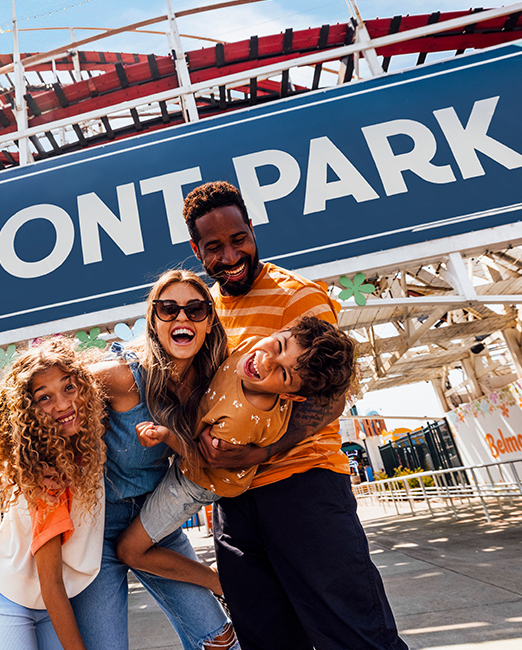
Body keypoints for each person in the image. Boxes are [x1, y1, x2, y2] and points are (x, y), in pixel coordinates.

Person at [184, 180, 409, 650]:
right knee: (266, 638)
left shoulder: (299, 296)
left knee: (352, 634)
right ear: (196, 250)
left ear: (252, 227)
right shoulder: (204, 311)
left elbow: (332, 396)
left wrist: (263, 450)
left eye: (238, 239)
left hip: (303, 489)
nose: (230, 255)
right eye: (214, 247)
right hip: (233, 501)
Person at [116, 317, 355, 592]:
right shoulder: (253, 348)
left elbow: (204, 460)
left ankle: (217, 582)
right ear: (280, 330)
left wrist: (168, 436)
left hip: (197, 480)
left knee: (129, 550)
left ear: (294, 397)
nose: (265, 362)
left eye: (283, 374)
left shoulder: (242, 419)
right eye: (278, 345)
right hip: (193, 448)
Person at [71, 269, 239, 650]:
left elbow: (206, 463)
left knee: (220, 640)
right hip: (95, 527)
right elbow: (49, 391)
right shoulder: (123, 377)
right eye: (169, 309)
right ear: (154, 320)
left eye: (195, 309)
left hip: (152, 520)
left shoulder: (211, 388)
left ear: (210, 321)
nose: (182, 318)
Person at [0, 339, 106, 650]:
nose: (63, 404)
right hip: (6, 603)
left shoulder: (87, 444)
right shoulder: (46, 480)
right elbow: (51, 585)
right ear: (28, 411)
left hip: (49, 605)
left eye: (69, 388)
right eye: (45, 398)